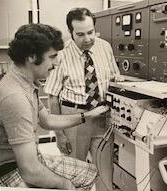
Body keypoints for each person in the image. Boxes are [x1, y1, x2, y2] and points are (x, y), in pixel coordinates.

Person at [0, 23, 110, 190]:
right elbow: (30, 171)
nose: (57, 63)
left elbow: (47, 120)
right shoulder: (15, 97)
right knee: (69, 184)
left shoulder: (23, 81)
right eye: (52, 56)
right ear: (32, 57)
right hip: (6, 173)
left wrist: (87, 116)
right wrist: (66, 185)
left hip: (25, 161)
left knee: (88, 172)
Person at [44, 8, 122, 191]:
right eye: (80, 34)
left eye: (90, 32)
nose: (87, 39)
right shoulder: (61, 55)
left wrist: (118, 79)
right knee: (75, 174)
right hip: (74, 119)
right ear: (70, 32)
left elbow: (114, 76)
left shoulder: (105, 47)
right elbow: (53, 96)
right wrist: (60, 134)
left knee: (105, 172)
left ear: (95, 28)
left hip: (102, 117)